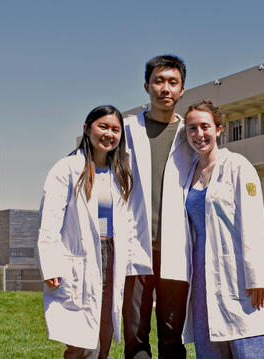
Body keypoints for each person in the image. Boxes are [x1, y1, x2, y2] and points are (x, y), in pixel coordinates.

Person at [37, 105, 137, 359]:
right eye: (103, 126)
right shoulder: (67, 169)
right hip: (81, 256)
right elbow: (49, 220)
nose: (109, 134)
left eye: (115, 130)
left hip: (112, 255)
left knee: (104, 331)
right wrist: (51, 266)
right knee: (82, 338)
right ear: (86, 128)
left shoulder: (121, 172)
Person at [183, 100, 264, 358]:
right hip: (202, 274)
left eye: (205, 126)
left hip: (237, 273)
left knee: (249, 343)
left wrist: (257, 276)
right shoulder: (188, 172)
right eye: (192, 128)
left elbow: (255, 222)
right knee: (210, 343)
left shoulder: (238, 166)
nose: (199, 134)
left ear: (219, 129)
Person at [123, 55, 196, 359]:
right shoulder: (126, 130)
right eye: (158, 81)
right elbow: (100, 179)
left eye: (172, 82)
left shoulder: (190, 135)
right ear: (146, 86)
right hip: (134, 246)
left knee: (172, 335)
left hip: (175, 249)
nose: (165, 88)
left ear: (181, 89)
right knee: (136, 335)